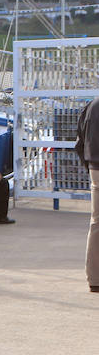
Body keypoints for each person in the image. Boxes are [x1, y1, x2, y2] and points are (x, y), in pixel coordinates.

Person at [77, 97, 99, 292]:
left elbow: (80, 141)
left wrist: (90, 165)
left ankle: (95, 278)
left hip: (96, 168)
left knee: (97, 222)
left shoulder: (91, 106)